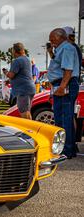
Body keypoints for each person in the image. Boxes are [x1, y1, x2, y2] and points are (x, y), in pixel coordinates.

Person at [47, 28, 80, 159]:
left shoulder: (66, 48)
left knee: (65, 118)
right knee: (61, 118)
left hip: (65, 84)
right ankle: (64, 148)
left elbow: (68, 69)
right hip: (61, 84)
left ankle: (67, 150)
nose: (51, 42)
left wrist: (62, 86)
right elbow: (60, 64)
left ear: (61, 37)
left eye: (53, 39)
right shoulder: (62, 48)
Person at [5, 43, 36, 120]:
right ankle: (30, 128)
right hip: (29, 88)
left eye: (13, 51)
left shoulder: (17, 61)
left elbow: (11, 75)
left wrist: (5, 72)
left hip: (23, 90)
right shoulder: (27, 59)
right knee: (27, 111)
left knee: (24, 112)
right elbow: (22, 74)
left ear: (15, 51)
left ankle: (28, 130)